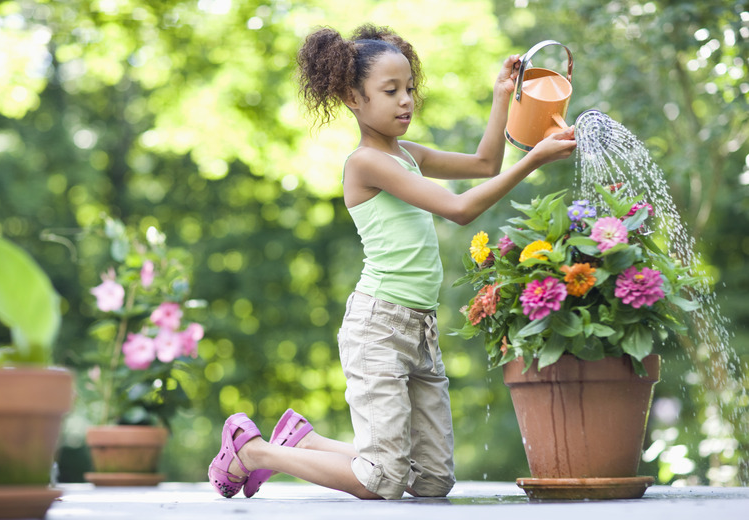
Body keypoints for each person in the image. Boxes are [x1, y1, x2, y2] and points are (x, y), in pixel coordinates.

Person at [207, 23, 576, 501]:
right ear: (353, 99)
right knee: (381, 481)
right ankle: (253, 451)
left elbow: (485, 164)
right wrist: (533, 162)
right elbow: (460, 209)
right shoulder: (366, 163)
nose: (406, 101)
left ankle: (306, 441)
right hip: (378, 328)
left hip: (419, 328)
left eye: (409, 89)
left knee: (432, 482)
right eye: (391, 91)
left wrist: (503, 95)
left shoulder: (408, 155)